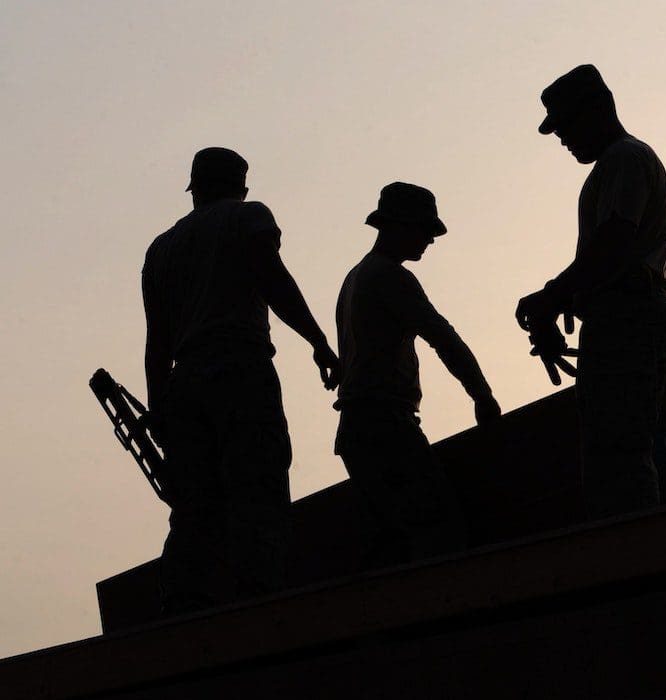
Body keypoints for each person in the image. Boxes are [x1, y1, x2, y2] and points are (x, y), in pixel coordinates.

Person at [142, 147, 341, 615]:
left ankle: (182, 605)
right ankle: (262, 599)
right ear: (241, 186)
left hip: (183, 385)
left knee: (193, 505)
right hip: (239, 369)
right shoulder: (248, 216)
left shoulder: (160, 249)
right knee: (258, 483)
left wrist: (158, 409)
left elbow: (156, 343)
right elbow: (273, 280)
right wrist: (318, 341)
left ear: (194, 189)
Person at [516, 64, 666, 520]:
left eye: (566, 126)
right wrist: (567, 303)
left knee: (621, 458)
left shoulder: (624, 159)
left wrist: (553, 296)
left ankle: (643, 563)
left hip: (631, 323)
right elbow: (610, 259)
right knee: (649, 450)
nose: (562, 139)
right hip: (638, 319)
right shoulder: (616, 167)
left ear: (597, 110)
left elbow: (615, 242)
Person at [334, 182, 501, 567]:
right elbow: (443, 338)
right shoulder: (389, 277)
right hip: (384, 426)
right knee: (438, 529)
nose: (429, 240)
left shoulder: (354, 277)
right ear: (398, 226)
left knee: (393, 542)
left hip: (359, 430)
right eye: (424, 230)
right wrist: (482, 395)